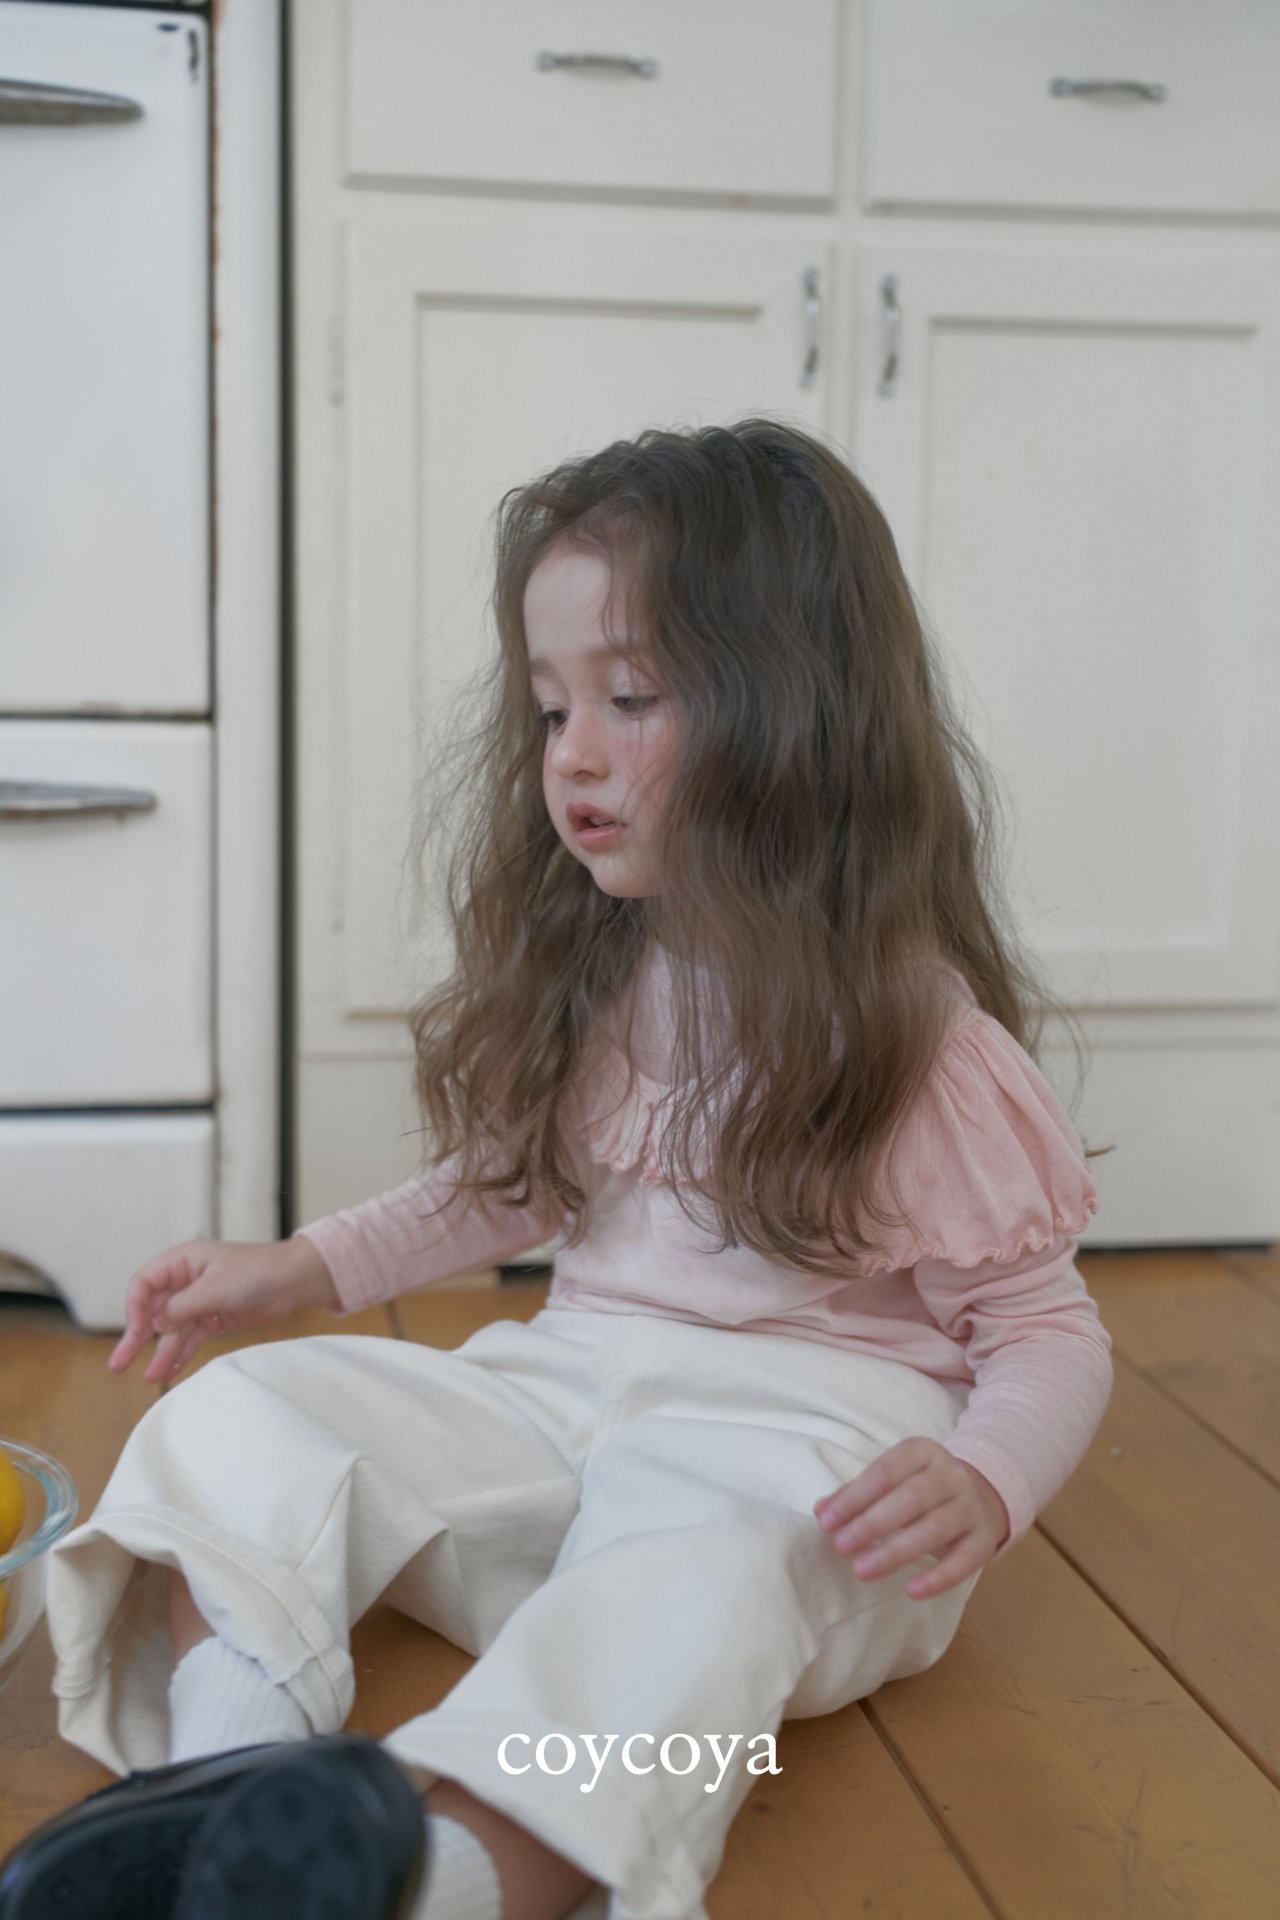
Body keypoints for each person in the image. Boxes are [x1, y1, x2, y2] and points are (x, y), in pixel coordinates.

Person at [2, 418, 1113, 1920]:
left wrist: (985, 1478)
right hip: (569, 1404)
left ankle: (442, 1883)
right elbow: (509, 1188)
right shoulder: (613, 974)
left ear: (801, 714)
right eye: (548, 708)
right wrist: (302, 1270)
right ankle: (238, 1789)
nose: (571, 755)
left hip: (800, 1479)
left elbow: (1045, 1329)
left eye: (632, 697)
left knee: (688, 1601)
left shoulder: (920, 1037)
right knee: (244, 1416)